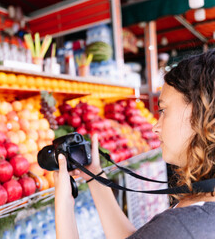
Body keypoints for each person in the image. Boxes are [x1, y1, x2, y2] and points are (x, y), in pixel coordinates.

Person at [54, 50, 215, 239]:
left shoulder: (178, 227)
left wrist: (63, 203)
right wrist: (95, 175)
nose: (156, 126)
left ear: (201, 114)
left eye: (163, 110)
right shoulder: (201, 205)